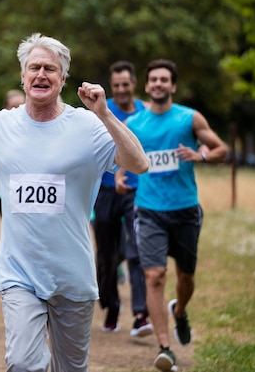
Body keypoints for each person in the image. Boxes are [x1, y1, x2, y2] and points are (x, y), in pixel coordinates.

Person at [0, 33, 149, 372]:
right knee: (23, 364)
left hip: (72, 276)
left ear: (63, 79)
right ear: (22, 76)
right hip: (20, 274)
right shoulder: (2, 125)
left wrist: (105, 114)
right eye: (34, 67)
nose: (41, 74)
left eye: (50, 68)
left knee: (71, 368)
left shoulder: (87, 125)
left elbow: (139, 163)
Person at [119, 59, 228, 372]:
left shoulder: (189, 118)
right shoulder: (134, 124)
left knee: (186, 277)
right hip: (149, 210)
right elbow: (125, 156)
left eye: (164, 79)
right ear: (147, 85)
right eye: (153, 79)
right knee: (154, 275)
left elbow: (221, 149)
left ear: (173, 85)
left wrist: (201, 155)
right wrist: (124, 175)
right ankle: (165, 348)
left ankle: (179, 310)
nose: (158, 84)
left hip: (185, 210)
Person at [92, 60, 153, 337]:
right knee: (106, 255)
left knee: (137, 251)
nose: (120, 89)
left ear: (134, 85)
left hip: (136, 191)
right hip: (104, 191)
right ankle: (111, 306)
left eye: (125, 84)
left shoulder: (145, 113)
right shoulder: (100, 113)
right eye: (115, 85)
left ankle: (141, 313)